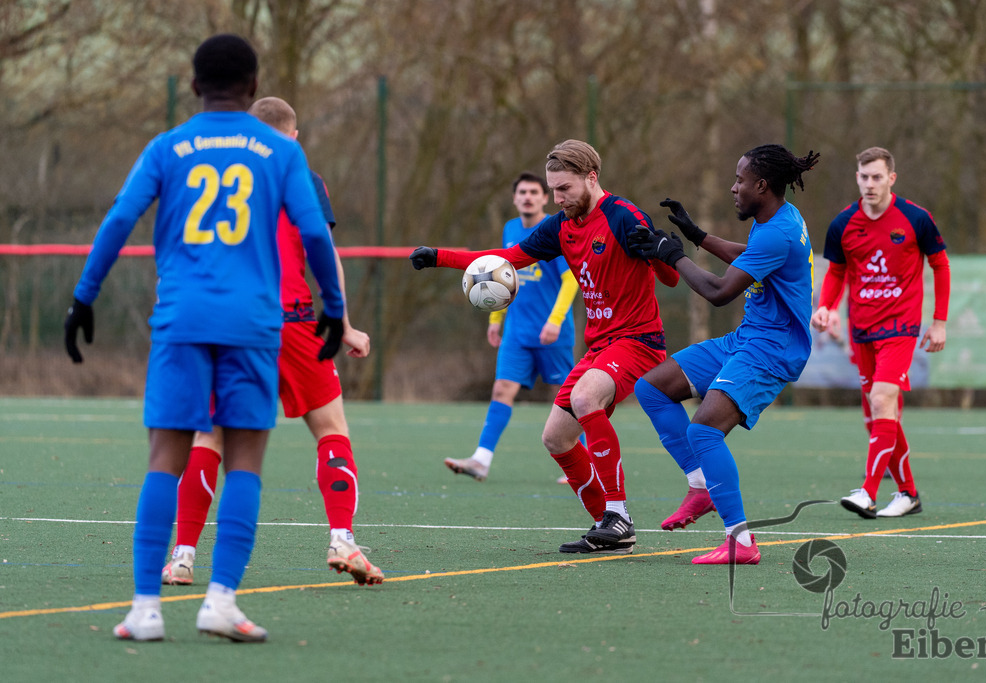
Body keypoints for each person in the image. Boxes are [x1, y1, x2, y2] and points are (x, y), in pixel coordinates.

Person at [63, 34, 346, 642]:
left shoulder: (169, 146)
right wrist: (335, 305)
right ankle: (221, 601)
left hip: (182, 320)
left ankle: (145, 609)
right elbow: (315, 236)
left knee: (167, 454)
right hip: (252, 324)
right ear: (251, 88)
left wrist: (84, 296)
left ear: (193, 86)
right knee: (246, 458)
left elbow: (118, 219)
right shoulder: (280, 150)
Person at [411, 140, 679, 554]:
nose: (557, 198)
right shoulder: (561, 226)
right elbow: (509, 258)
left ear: (592, 178)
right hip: (600, 345)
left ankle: (618, 514)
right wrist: (439, 258)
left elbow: (671, 280)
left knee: (587, 397)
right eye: (553, 189)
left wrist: (660, 254)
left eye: (565, 189)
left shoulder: (624, 217)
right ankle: (605, 526)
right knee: (555, 438)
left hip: (639, 341)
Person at [160, 96, 382, 590]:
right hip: (294, 321)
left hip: (230, 324)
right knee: (330, 428)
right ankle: (342, 539)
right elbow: (321, 250)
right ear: (293, 135)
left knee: (210, 437)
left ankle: (182, 556)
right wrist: (342, 323)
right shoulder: (302, 177)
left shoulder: (213, 180)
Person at [630, 144, 819, 565]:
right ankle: (701, 486)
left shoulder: (776, 231)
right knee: (653, 388)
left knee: (703, 432)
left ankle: (742, 542)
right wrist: (697, 237)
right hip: (749, 338)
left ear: (762, 185)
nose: (733, 188)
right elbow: (749, 257)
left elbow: (718, 293)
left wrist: (674, 256)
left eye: (740, 181)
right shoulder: (777, 217)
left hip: (772, 350)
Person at [811, 146, 949, 519]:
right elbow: (837, 271)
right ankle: (908, 494)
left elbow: (940, 265)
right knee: (877, 416)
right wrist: (826, 306)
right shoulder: (843, 223)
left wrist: (939, 321)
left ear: (891, 178)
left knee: (883, 399)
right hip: (862, 329)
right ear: (856, 177)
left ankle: (868, 492)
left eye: (877, 177)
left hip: (901, 327)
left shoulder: (916, 218)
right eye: (863, 176)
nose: (869, 184)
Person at [442, 172, 579, 482]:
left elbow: (570, 279)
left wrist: (555, 321)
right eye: (522, 192)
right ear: (515, 198)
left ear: (545, 198)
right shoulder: (510, 229)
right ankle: (481, 459)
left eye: (534, 192)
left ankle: (587, 463)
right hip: (516, 333)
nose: (528, 197)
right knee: (502, 389)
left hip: (551, 333)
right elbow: (498, 276)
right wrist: (495, 319)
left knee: (570, 398)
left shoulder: (554, 229)